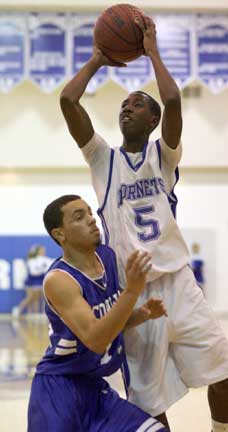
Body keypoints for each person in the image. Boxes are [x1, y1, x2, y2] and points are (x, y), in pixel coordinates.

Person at [59, 12, 228, 432]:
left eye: (136, 103)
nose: (127, 108)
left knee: (224, 373)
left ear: (152, 121)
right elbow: (67, 101)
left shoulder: (163, 155)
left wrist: (152, 51)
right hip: (133, 293)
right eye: (122, 104)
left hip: (179, 284)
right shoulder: (103, 159)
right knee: (149, 404)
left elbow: (172, 101)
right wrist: (99, 58)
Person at [28, 194, 168, 432]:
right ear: (59, 234)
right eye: (79, 217)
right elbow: (95, 339)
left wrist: (141, 314)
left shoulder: (107, 256)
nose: (92, 220)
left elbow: (109, 322)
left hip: (95, 390)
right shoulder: (59, 280)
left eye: (90, 213)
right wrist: (132, 292)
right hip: (58, 391)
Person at [12, 244, 53, 318]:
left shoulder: (46, 259)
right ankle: (19, 310)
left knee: (43, 297)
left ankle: (40, 313)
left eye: (44, 250)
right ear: (38, 251)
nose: (43, 251)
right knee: (31, 297)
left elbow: (49, 267)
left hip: (41, 279)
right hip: (32, 280)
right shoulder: (32, 260)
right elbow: (33, 271)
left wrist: (44, 269)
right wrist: (42, 269)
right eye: (41, 250)